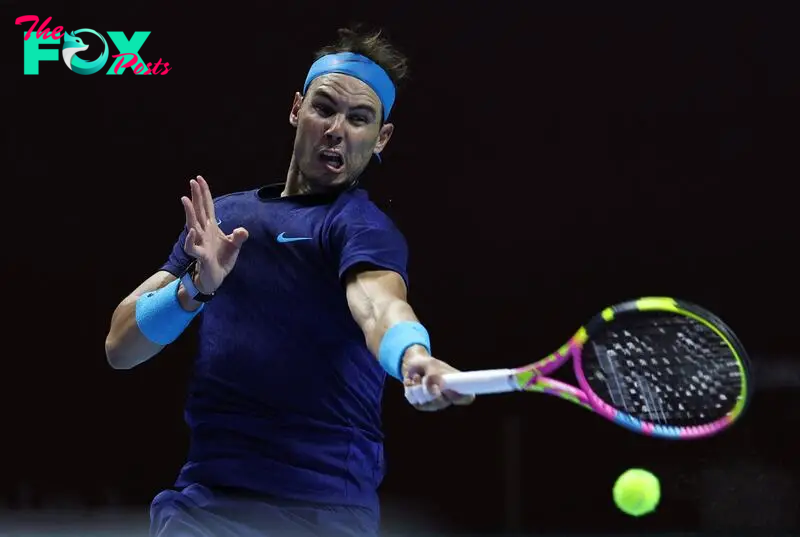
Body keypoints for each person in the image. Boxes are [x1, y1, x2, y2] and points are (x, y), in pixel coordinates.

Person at [104, 26, 474, 537]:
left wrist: (413, 356)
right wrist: (191, 291)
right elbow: (120, 347)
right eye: (324, 109)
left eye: (359, 118)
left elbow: (379, 306)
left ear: (381, 138)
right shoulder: (222, 221)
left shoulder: (359, 228)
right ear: (297, 109)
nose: (337, 129)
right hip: (206, 506)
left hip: (321, 514)